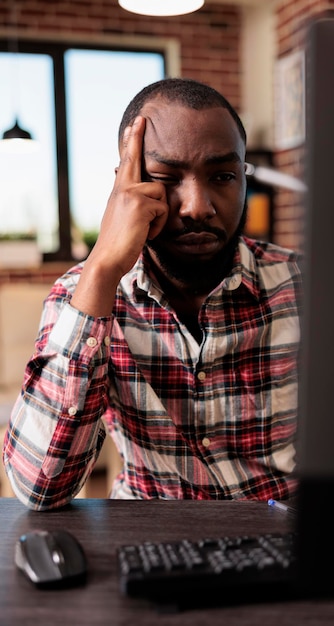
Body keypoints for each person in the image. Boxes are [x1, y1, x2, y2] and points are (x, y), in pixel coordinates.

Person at [2, 78, 302, 511]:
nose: (197, 206)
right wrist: (102, 268)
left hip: (280, 541)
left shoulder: (302, 286)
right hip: (146, 536)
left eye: (222, 176)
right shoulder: (80, 294)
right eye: (166, 178)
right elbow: (38, 488)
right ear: (127, 186)